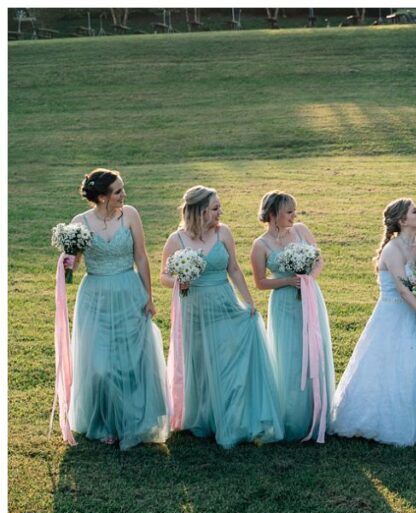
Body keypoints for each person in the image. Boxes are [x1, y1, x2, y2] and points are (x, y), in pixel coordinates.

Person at [159, 185, 283, 449]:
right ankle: (204, 416)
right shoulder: (176, 240)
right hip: (193, 307)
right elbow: (164, 276)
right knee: (201, 361)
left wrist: (248, 302)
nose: (220, 212)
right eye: (215, 208)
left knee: (226, 360)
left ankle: (233, 415)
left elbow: (234, 269)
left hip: (223, 301)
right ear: (200, 211)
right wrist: (179, 280)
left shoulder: (223, 232)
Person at [330, 198, 416, 446]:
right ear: (402, 221)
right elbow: (405, 291)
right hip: (393, 316)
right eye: (414, 211)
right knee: (395, 368)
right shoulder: (392, 250)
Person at [66, 168, 169, 448]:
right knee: (99, 365)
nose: (125, 195)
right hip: (95, 297)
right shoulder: (80, 222)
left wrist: (149, 296)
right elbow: (73, 266)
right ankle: (103, 422)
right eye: (118, 191)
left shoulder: (131, 215)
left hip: (128, 291)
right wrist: (67, 263)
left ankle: (132, 421)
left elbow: (142, 257)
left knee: (131, 361)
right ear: (101, 197)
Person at [250, 191, 335, 442]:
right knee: (290, 354)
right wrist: (288, 281)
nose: (294, 216)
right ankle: (292, 417)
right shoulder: (261, 245)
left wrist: (308, 279)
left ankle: (317, 414)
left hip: (310, 297)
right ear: (272, 215)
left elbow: (319, 260)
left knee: (314, 348)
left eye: (294, 211)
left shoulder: (301, 230)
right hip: (284, 303)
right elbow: (261, 283)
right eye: (289, 212)